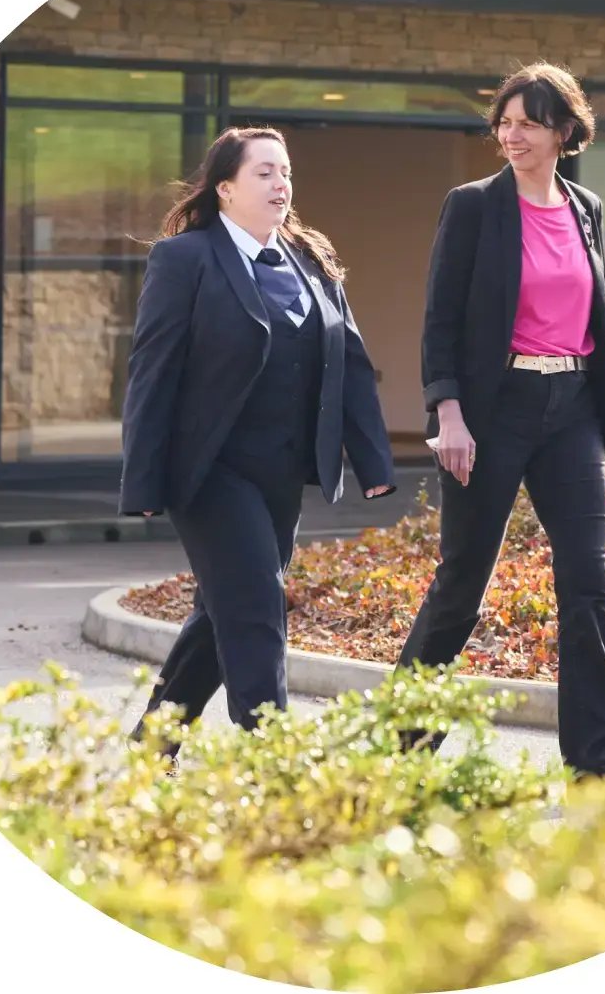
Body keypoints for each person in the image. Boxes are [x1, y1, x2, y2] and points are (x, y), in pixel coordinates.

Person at [121, 125, 396, 758]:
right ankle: (270, 763)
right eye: (264, 173)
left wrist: (372, 460)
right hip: (210, 471)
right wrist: (142, 478)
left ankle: (148, 752)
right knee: (256, 607)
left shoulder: (312, 258)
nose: (281, 184)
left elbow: (348, 362)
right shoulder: (185, 259)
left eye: (286, 172)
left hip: (281, 475)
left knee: (223, 612)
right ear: (225, 189)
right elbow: (152, 371)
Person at [396, 62, 605, 778]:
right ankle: (400, 739)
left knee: (589, 582)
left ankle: (595, 751)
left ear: (563, 130)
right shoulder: (472, 207)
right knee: (461, 583)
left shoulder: (585, 207)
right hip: (491, 413)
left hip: (571, 413)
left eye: (527, 122)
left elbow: (591, 320)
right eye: (503, 121)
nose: (511, 134)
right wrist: (449, 414)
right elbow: (440, 320)